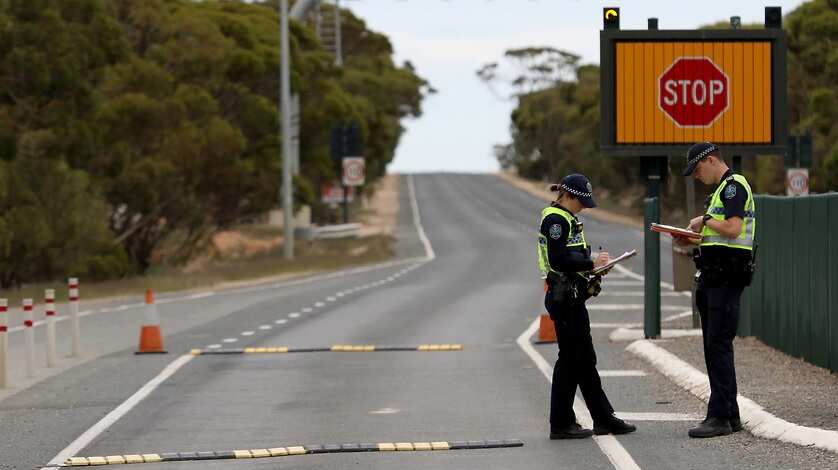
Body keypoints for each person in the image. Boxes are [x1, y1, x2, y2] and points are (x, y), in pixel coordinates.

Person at [537, 173, 636, 439]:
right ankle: (563, 423)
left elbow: (571, 256)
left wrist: (595, 267)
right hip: (564, 297)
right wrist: (591, 264)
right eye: (580, 200)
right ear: (568, 195)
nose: (584, 206)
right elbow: (558, 260)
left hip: (572, 296)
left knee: (580, 360)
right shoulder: (556, 220)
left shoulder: (567, 219)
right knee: (572, 361)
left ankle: (600, 419)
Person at [677, 142, 756, 438]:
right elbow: (720, 239)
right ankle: (730, 415)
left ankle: (719, 417)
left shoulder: (733, 187)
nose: (697, 176)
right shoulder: (720, 192)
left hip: (725, 279)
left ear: (711, 160)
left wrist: (706, 220)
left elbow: (734, 229)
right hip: (714, 278)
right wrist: (691, 239)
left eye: (697, 169)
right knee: (715, 348)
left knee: (718, 347)